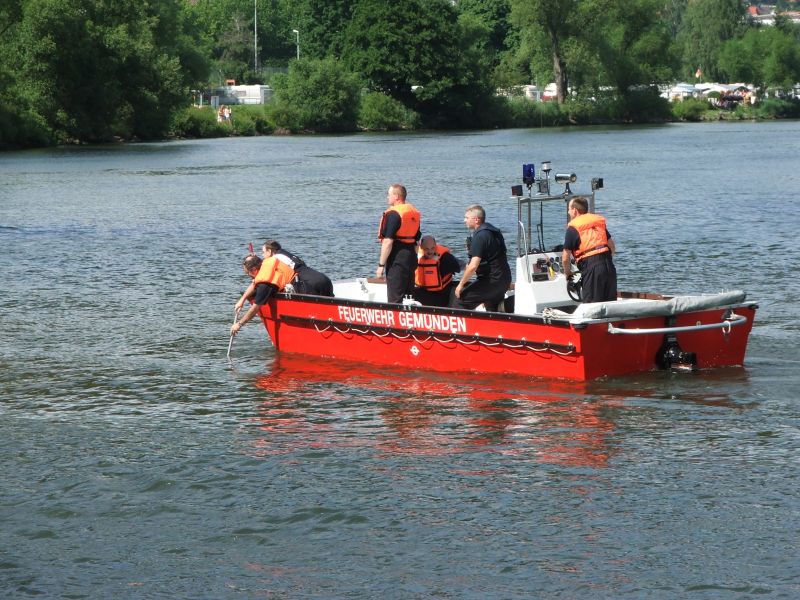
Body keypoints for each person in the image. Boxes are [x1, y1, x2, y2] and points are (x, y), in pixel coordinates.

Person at [451, 204, 512, 311]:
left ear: (476, 219)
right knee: (492, 306)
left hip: (492, 281)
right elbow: (492, 258)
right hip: (504, 280)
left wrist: (460, 285)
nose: (464, 220)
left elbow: (473, 267)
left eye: (466, 218)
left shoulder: (480, 236)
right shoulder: (493, 232)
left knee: (460, 299)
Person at [561, 195, 617, 303]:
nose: (568, 212)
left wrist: (568, 273)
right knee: (610, 305)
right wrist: (604, 262)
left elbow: (565, 258)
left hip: (591, 268)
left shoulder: (573, 228)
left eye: (569, 209)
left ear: (575, 210)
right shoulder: (597, 224)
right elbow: (612, 246)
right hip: (609, 267)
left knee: (592, 306)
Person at [376, 184, 421, 303]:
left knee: (395, 297)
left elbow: (388, 241)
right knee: (408, 296)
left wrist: (381, 265)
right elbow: (416, 241)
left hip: (397, 257)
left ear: (396, 196)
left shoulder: (394, 214)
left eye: (389, 194)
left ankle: (395, 312)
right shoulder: (413, 213)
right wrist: (414, 260)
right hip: (411, 256)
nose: (387, 197)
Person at [231, 254, 295, 337]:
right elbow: (254, 283)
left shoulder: (264, 285)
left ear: (254, 270)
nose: (248, 276)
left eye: (248, 273)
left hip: (298, 288)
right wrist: (242, 300)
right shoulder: (264, 264)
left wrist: (239, 324)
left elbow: (255, 308)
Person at [262, 239, 333, 297]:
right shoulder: (288, 255)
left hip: (311, 284)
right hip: (324, 279)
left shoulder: (274, 259)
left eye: (263, 252)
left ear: (269, 251)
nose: (263, 255)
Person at [412, 235, 461, 307]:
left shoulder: (445, 258)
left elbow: (460, 267)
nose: (430, 252)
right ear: (421, 247)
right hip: (425, 292)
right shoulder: (416, 257)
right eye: (426, 249)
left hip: (443, 294)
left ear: (435, 246)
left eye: (432, 248)